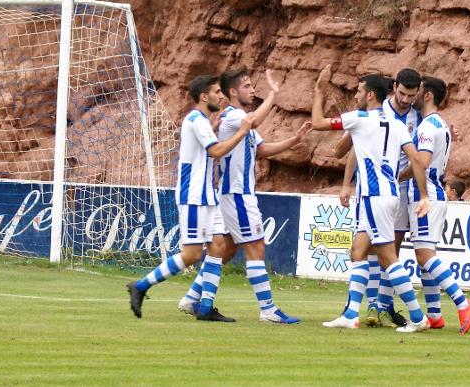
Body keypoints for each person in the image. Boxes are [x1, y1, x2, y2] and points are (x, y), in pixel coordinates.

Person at [179, 66, 310, 324]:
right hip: (237, 193)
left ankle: (192, 299)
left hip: (232, 194)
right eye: (248, 86)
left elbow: (262, 149)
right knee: (256, 246)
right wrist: (274, 94)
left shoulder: (240, 120)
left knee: (225, 250)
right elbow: (255, 121)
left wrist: (295, 139)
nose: (253, 90)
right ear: (233, 91)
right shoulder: (231, 117)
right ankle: (268, 310)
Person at [313, 65, 432, 333]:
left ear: (370, 96)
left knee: (388, 259)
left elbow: (319, 123)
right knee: (357, 251)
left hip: (374, 196)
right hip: (388, 195)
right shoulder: (398, 125)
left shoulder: (359, 118)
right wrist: (423, 195)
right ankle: (350, 314)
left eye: (358, 91)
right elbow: (415, 159)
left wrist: (319, 90)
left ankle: (418, 317)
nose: (355, 95)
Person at [126, 75, 254, 322]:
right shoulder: (196, 120)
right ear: (204, 97)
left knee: (219, 245)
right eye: (217, 92)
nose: (222, 96)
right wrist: (242, 131)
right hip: (194, 197)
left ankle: (206, 308)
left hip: (208, 197)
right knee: (192, 255)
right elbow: (215, 151)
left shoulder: (202, 121)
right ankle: (141, 285)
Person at [400, 76, 470, 334]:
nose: (414, 94)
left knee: (424, 255)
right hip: (435, 193)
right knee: (425, 256)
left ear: (428, 95)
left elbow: (421, 162)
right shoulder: (438, 124)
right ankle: (434, 315)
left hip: (427, 196)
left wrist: (396, 175)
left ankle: (463, 302)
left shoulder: (426, 128)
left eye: (418, 90)